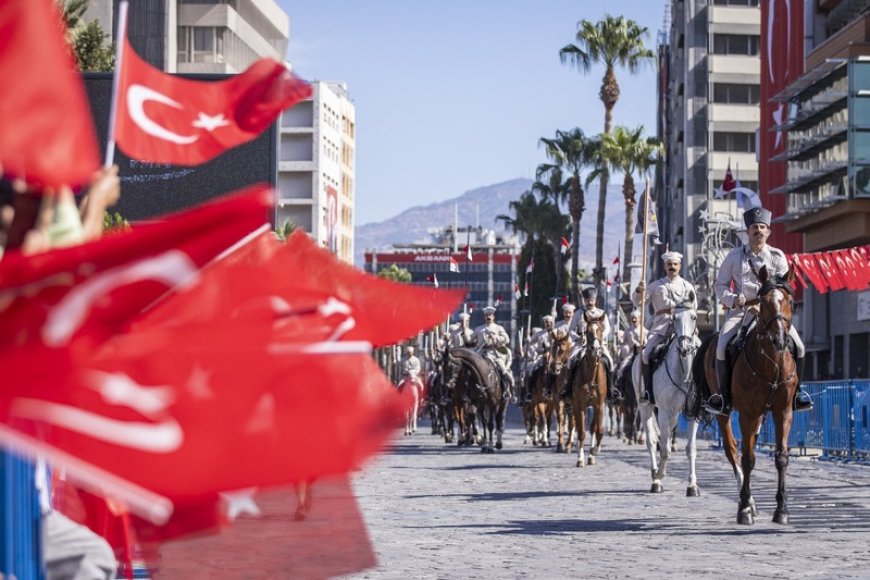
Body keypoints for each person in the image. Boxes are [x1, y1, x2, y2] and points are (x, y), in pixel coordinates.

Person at [704, 207, 812, 415]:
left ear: (768, 231)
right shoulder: (734, 257)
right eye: (755, 227)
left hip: (771, 314)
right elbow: (720, 285)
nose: (758, 230)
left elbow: (785, 286)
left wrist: (773, 302)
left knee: (799, 347)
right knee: (721, 347)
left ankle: (797, 394)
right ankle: (723, 396)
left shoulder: (777, 256)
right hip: (741, 312)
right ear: (747, 231)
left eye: (762, 227)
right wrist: (734, 300)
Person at [632, 251, 697, 405]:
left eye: (675, 264)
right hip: (662, 326)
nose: (672, 267)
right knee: (647, 354)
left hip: (683, 328)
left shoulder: (688, 286)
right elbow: (638, 303)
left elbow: (694, 309)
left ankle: (699, 392)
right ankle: (648, 392)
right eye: (669, 264)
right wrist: (639, 291)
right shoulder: (655, 286)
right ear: (664, 266)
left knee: (700, 352)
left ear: (680, 266)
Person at [571, 287, 617, 399]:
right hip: (581, 344)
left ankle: (611, 389)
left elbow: (607, 328)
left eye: (591, 300)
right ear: (584, 300)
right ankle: (569, 388)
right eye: (587, 300)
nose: (589, 302)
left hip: (598, 344)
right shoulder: (578, 313)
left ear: (595, 300)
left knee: (609, 361)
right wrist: (578, 337)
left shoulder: (601, 313)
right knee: (570, 361)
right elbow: (571, 329)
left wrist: (600, 338)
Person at [469, 306, 513, 399]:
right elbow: (470, 340)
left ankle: (506, 390)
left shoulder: (498, 328)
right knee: (471, 369)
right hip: (481, 353)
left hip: (495, 353)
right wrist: (463, 333)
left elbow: (507, 339)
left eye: (490, 315)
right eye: (486, 315)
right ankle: (469, 392)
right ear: (484, 317)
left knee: (503, 369)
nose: (488, 317)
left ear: (493, 317)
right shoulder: (479, 329)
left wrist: (496, 338)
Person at [521, 315, 555, 402]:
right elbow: (531, 342)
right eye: (546, 322)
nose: (548, 323)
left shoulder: (555, 332)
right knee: (531, 371)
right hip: (541, 356)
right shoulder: (539, 334)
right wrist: (528, 341)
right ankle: (529, 392)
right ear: (544, 323)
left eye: (550, 322)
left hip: (553, 356)